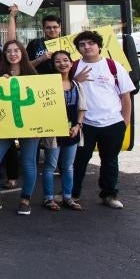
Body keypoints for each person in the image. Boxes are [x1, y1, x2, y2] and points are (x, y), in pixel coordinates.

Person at [71, 30, 135, 209]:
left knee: (110, 160)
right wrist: (75, 79)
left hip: (112, 123)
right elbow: (65, 90)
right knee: (79, 160)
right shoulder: (74, 67)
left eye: (91, 43)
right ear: (78, 49)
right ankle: (72, 193)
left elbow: (125, 96)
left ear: (99, 46)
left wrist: (125, 122)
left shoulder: (113, 66)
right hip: (85, 124)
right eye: (82, 45)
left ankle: (109, 195)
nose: (87, 47)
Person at [0, 41, 42, 215]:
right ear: (4, 54)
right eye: (9, 51)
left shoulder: (32, 74)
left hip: (29, 126)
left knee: (28, 163)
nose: (13, 53)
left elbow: (38, 102)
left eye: (16, 50)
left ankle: (25, 200)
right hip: (4, 126)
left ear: (22, 52)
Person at [42, 50, 86, 211]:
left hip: (72, 132)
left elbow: (82, 108)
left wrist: (78, 126)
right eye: (58, 61)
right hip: (53, 133)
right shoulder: (48, 85)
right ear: (53, 65)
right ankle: (48, 198)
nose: (62, 64)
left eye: (65, 60)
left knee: (68, 167)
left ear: (71, 63)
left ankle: (68, 197)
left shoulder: (77, 85)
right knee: (50, 166)